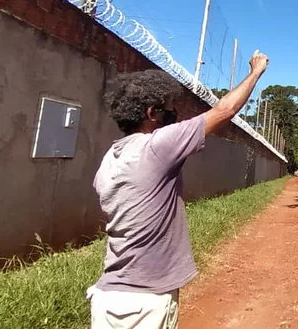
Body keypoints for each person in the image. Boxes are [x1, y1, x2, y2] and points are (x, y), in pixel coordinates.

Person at [87, 50, 269, 329]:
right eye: (170, 107)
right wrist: (256, 72)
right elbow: (224, 111)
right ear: (152, 113)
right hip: (145, 302)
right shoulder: (158, 146)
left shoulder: (110, 160)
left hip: (108, 296)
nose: (175, 113)